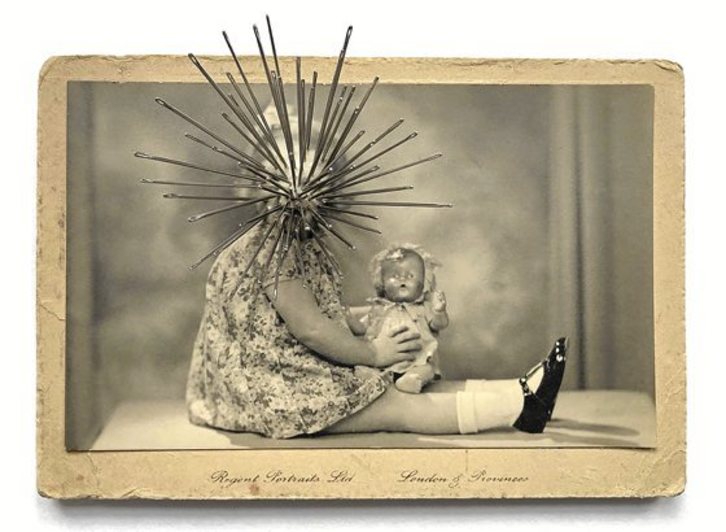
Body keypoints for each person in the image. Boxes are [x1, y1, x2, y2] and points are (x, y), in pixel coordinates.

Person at [185, 218, 567, 439]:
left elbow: (319, 315)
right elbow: (311, 329)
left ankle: (523, 388)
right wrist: (373, 352)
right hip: (268, 387)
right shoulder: (273, 249)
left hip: (280, 367)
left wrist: (376, 315)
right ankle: (519, 407)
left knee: (407, 384)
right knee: (395, 405)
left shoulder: (295, 241)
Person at [345, 243, 449, 394]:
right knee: (364, 368)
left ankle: (411, 380)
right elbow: (363, 330)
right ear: (382, 283)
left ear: (424, 282)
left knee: (427, 369)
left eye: (411, 276)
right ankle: (373, 379)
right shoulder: (379, 309)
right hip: (384, 360)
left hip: (416, 360)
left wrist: (439, 312)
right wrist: (350, 320)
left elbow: (438, 325)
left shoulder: (422, 308)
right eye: (395, 276)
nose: (403, 280)